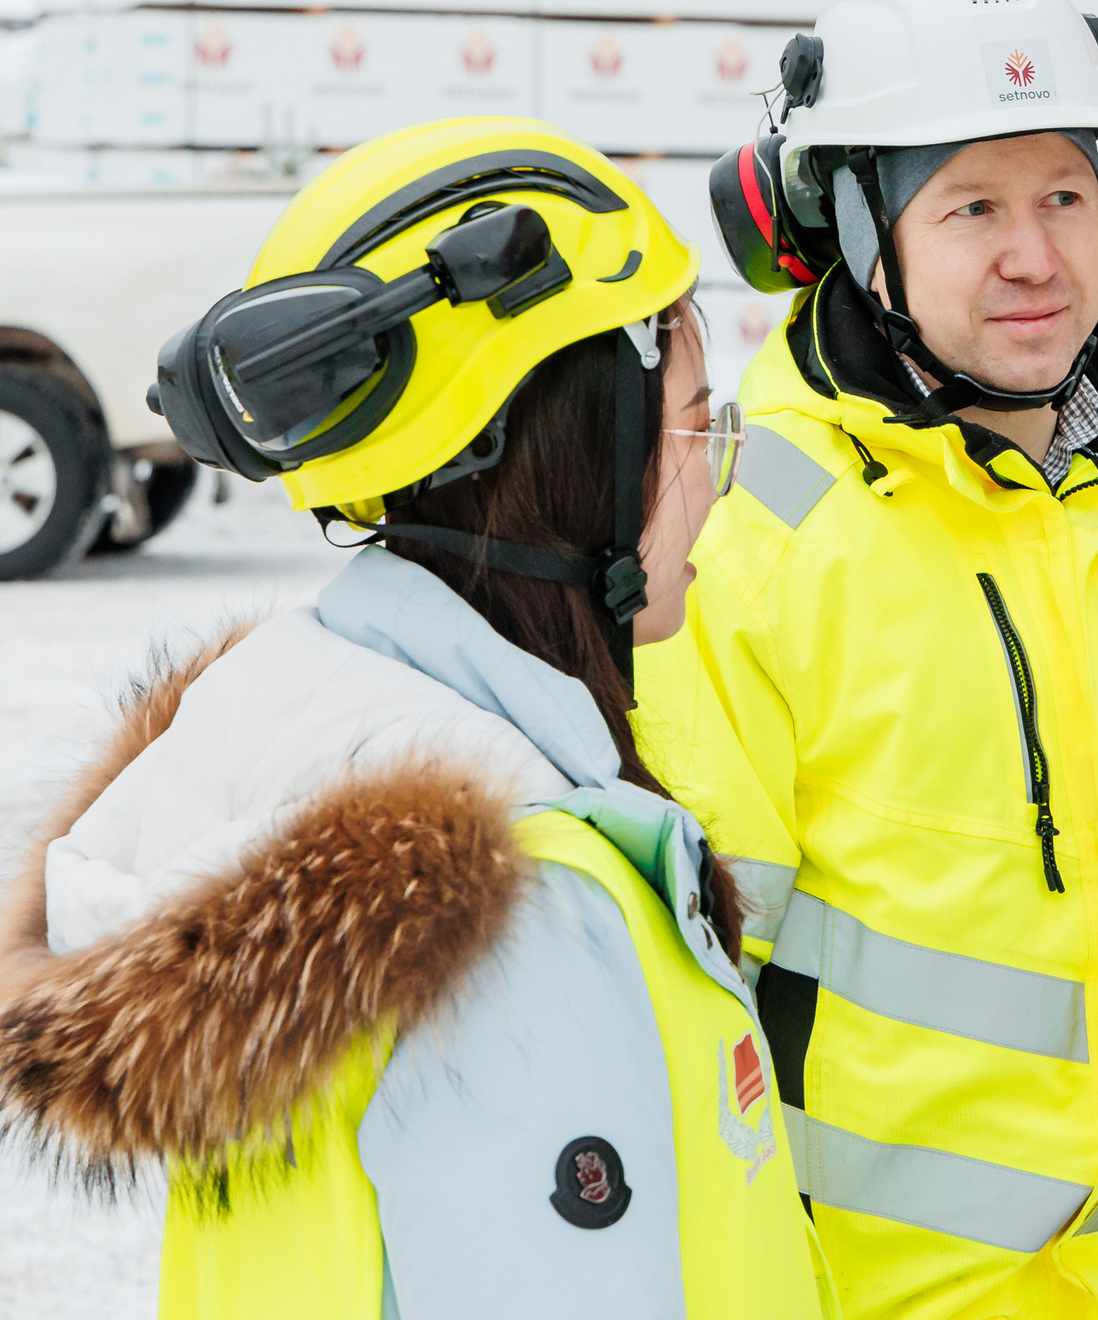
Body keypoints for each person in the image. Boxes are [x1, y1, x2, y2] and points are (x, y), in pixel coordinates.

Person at [0, 118, 834, 1318]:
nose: (720, 481)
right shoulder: (524, 913)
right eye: (699, 425)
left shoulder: (275, 750)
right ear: (568, 461)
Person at [639, 0, 1098, 1320]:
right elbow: (702, 1002)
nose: (1037, 255)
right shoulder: (759, 530)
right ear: (853, 227)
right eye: (971, 208)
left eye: (1067, 193)